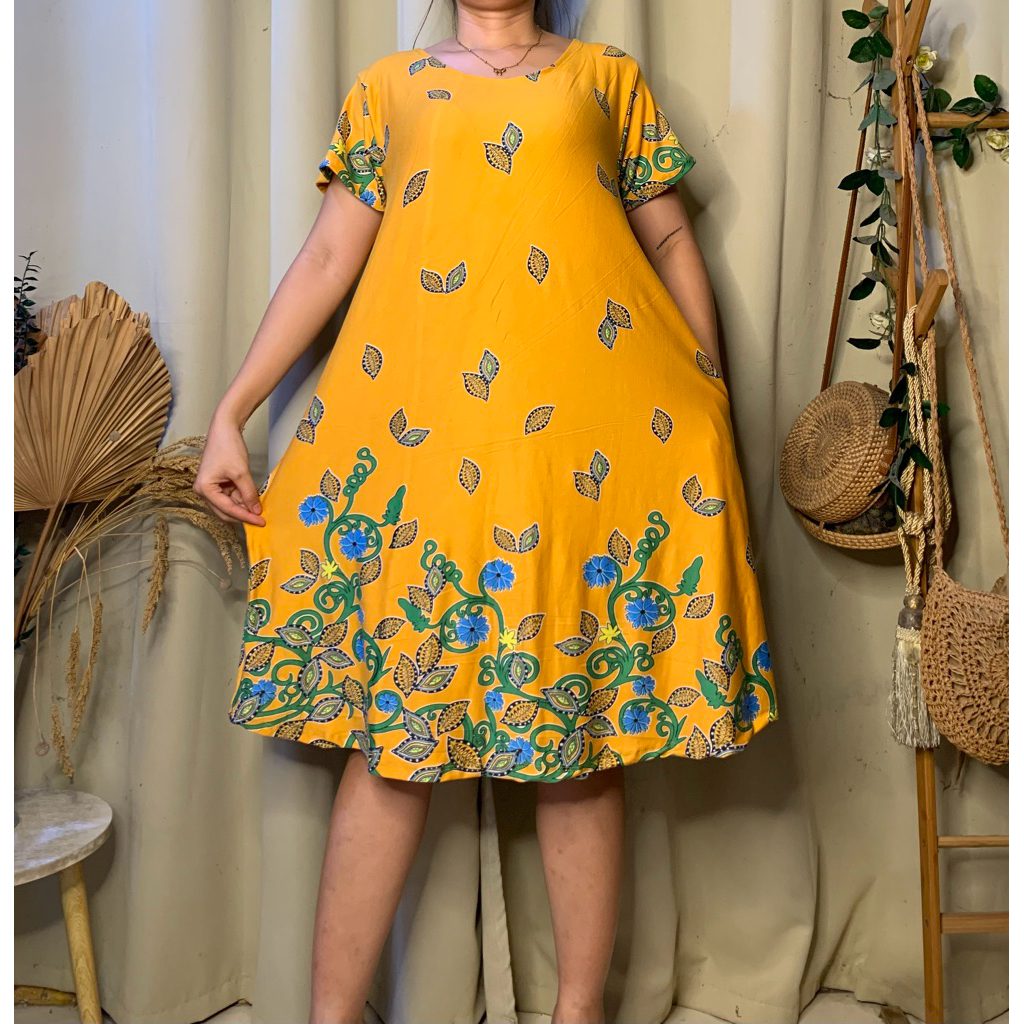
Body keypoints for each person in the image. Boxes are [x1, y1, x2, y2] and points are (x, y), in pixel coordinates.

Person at [195, 2, 778, 1021]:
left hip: (581, 460)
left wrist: (710, 397)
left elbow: (670, 237)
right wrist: (230, 412)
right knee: (396, 741)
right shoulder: (388, 88)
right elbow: (328, 259)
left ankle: (578, 1011)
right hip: (428, 454)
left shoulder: (606, 77)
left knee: (578, 739)